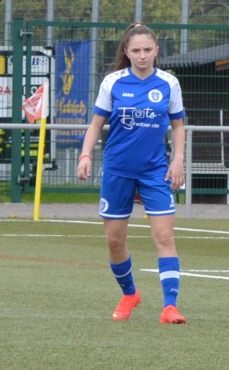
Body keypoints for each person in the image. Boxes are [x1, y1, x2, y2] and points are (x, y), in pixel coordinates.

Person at [76, 24, 188, 323]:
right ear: (126, 52)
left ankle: (170, 306)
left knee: (164, 236)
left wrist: (178, 160)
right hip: (117, 170)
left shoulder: (168, 83)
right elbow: (96, 124)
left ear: (156, 51)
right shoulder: (113, 82)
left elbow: (178, 126)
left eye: (147, 50)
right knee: (115, 241)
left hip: (155, 172)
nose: (142, 55)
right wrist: (85, 155)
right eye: (136, 50)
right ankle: (130, 294)